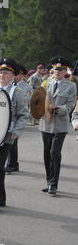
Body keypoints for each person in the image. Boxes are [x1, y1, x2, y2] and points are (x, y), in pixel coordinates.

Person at [0, 58, 29, 211]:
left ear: (13, 76)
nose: (2, 75)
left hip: (7, 133)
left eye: (6, 73)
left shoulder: (17, 92)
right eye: (0, 72)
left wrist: (16, 132)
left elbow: (24, 115)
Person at [39, 57, 76, 195]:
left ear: (65, 71)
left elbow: (71, 104)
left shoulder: (71, 86)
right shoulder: (45, 83)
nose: (57, 72)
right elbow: (39, 100)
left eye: (60, 70)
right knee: (46, 153)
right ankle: (49, 181)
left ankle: (54, 184)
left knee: (55, 153)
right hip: (46, 124)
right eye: (55, 69)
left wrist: (59, 108)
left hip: (60, 124)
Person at [5, 64, 31, 172]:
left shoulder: (26, 87)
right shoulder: (9, 85)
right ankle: (13, 163)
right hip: (7, 118)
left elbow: (28, 100)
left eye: (18, 74)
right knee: (10, 144)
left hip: (17, 117)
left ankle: (12, 164)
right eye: (15, 74)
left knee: (12, 143)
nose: (15, 76)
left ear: (22, 75)